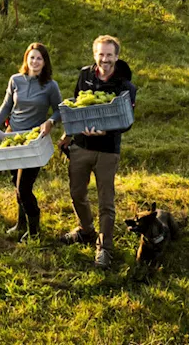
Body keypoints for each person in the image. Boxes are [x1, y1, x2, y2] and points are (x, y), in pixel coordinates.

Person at [59, 35, 137, 268]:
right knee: (76, 193)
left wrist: (105, 132)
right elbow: (76, 105)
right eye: (101, 54)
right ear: (95, 55)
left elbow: (127, 122)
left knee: (106, 202)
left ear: (116, 56)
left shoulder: (125, 85)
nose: (105, 59)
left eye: (109, 55)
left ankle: (105, 248)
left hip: (107, 150)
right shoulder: (85, 75)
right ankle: (86, 230)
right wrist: (67, 135)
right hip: (81, 146)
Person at [0, 42, 62, 243]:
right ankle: (21, 223)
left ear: (45, 63)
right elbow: (6, 106)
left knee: (24, 188)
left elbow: (60, 109)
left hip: (33, 141)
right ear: (26, 59)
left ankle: (34, 232)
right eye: (32, 57)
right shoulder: (15, 80)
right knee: (15, 182)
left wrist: (50, 121)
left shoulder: (50, 86)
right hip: (12, 137)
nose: (35, 62)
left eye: (39, 58)